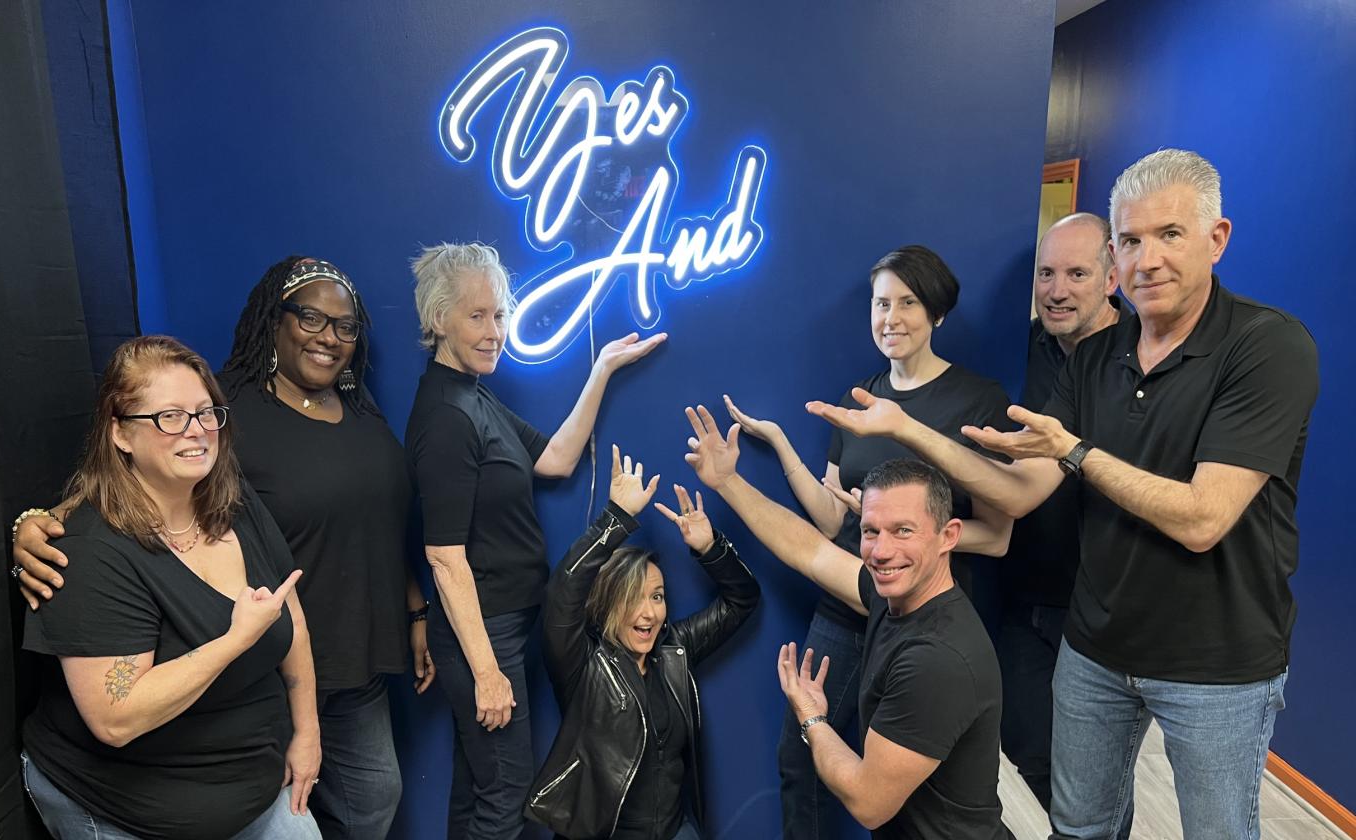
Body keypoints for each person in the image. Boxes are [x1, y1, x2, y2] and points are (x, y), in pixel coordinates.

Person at [808, 149, 1319, 840]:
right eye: (1134, 240)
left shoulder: (1267, 346)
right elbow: (1018, 496)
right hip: (1097, 645)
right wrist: (907, 428)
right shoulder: (1098, 357)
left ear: (1216, 238)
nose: (1150, 259)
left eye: (1170, 235)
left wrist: (1074, 451)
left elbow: (1203, 519)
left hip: (1217, 663)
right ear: (1119, 255)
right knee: (1078, 828)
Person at [14, 257, 429, 839]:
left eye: (346, 325)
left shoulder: (336, 430)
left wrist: (413, 610)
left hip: (321, 674)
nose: (195, 428)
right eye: (311, 317)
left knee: (372, 796)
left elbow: (375, 528)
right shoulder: (102, 539)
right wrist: (37, 520)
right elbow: (115, 714)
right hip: (137, 793)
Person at [722, 243, 1013, 838]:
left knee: (907, 777)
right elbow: (831, 523)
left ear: (936, 313)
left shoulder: (977, 399)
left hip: (921, 610)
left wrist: (912, 544)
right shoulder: (860, 393)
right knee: (802, 751)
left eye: (908, 303)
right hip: (851, 593)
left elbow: (999, 534)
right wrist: (779, 444)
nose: (892, 318)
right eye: (882, 303)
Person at [406, 242, 664, 839]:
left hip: (506, 623)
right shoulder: (446, 415)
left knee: (479, 787)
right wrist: (488, 672)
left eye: (499, 315)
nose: (494, 331)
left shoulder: (473, 393)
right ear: (438, 320)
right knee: (505, 797)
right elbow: (444, 559)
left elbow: (555, 459)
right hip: (483, 633)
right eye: (477, 316)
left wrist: (600, 370)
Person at [19, 335, 321, 839]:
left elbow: (290, 616)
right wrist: (234, 641)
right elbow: (116, 718)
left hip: (252, 786)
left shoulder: (234, 500)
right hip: (126, 805)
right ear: (120, 433)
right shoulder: (92, 550)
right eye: (170, 417)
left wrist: (307, 731)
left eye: (206, 413)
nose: (198, 431)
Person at [680, 404, 1011, 838]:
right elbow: (810, 551)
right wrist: (727, 482)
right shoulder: (895, 595)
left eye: (904, 531)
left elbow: (867, 801)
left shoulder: (936, 660)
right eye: (872, 531)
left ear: (948, 535)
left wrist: (813, 718)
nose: (881, 550)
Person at [526, 445, 760, 840]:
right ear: (609, 603)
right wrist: (614, 518)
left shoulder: (673, 652)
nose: (649, 613)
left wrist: (709, 547)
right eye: (633, 598)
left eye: (656, 596)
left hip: (675, 831)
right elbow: (561, 595)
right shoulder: (583, 663)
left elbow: (742, 599)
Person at [998, 213, 1130, 808]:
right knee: (1037, 756)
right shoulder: (1017, 348)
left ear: (1111, 278)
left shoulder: (1144, 353)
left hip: (1115, 609)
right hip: (1025, 597)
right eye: (1046, 274)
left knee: (1098, 782)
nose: (1057, 290)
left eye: (1077, 273)